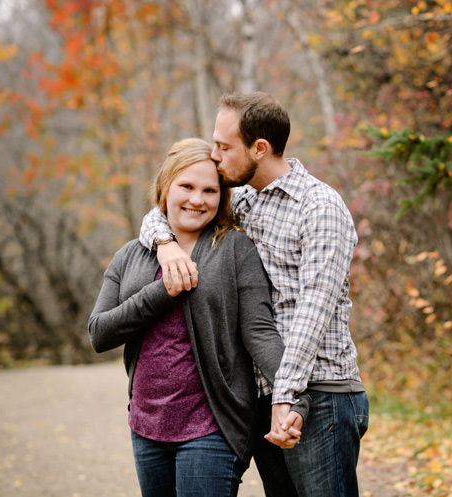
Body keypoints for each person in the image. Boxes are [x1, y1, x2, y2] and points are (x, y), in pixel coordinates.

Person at [137, 92, 366, 497]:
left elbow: (312, 312)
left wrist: (287, 395)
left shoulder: (319, 206)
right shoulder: (241, 201)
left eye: (224, 147)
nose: (215, 155)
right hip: (265, 396)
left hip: (319, 393)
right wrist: (164, 243)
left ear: (259, 149)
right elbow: (165, 207)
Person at [89, 138, 309, 497]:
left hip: (212, 426)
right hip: (146, 426)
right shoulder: (131, 255)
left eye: (210, 190)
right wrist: (163, 291)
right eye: (187, 186)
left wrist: (295, 394)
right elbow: (99, 333)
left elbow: (259, 331)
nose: (197, 199)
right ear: (165, 186)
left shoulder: (235, 249)